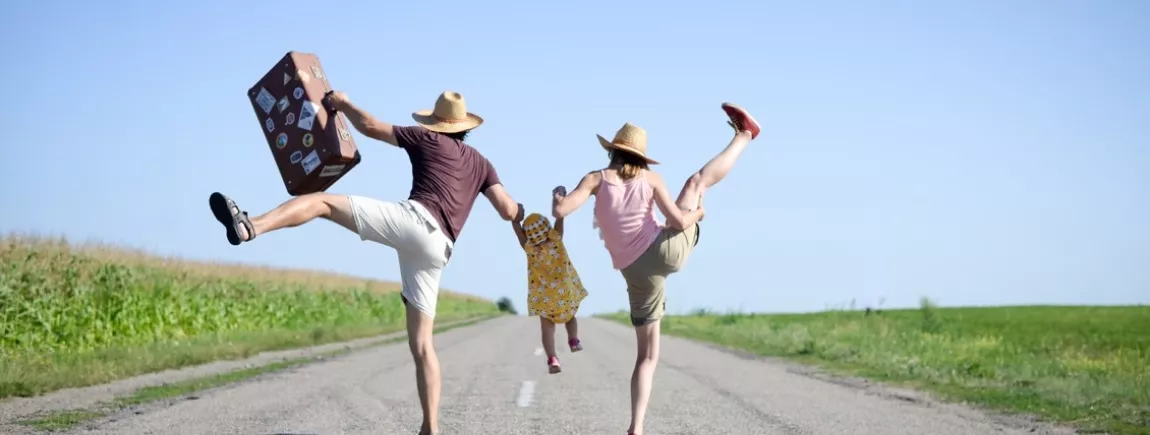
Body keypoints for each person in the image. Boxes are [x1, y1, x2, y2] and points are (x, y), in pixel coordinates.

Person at [208, 90, 525, 435]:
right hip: (440, 248)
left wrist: (342, 103)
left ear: (436, 122)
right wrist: (520, 211)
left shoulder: (425, 137)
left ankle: (250, 226)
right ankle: (431, 428)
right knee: (423, 345)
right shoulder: (481, 162)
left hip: (415, 221)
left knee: (320, 202)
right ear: (465, 127)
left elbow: (371, 126)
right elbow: (508, 210)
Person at [549, 103, 762, 435]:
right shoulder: (650, 178)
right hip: (666, 250)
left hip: (634, 271)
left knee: (645, 357)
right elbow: (678, 221)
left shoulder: (595, 179)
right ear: (640, 157)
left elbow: (561, 209)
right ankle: (746, 135)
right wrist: (699, 217)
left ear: (613, 153)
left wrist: (558, 194)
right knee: (695, 183)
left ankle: (637, 427)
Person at [512, 212, 589, 374]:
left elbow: (519, 235)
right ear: (547, 228)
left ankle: (552, 358)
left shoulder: (530, 248)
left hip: (543, 299)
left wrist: (515, 219)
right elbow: (560, 218)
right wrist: (559, 205)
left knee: (547, 329)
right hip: (564, 294)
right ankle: (573, 340)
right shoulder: (556, 241)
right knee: (570, 317)